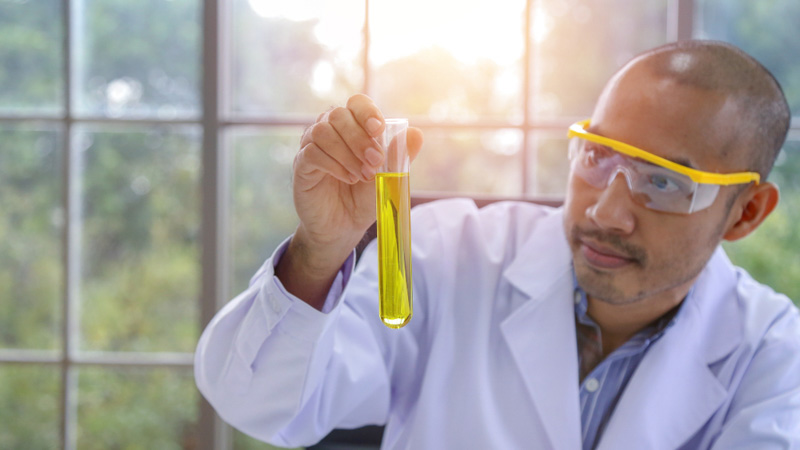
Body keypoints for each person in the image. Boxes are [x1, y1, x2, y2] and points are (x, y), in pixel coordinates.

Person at [194, 40, 800, 449]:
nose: (606, 212)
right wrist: (319, 252)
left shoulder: (776, 360)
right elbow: (257, 402)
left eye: (665, 182)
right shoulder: (441, 256)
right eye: (596, 156)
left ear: (746, 211)